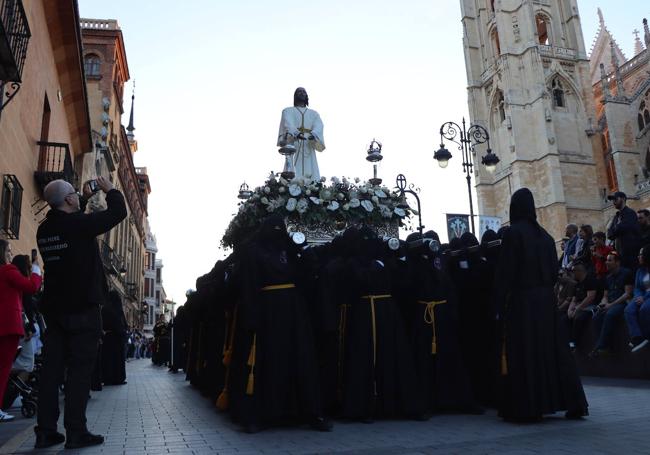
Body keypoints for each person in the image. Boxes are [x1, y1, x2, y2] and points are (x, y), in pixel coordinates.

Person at [35, 176, 126, 449]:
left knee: (51, 373)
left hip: (54, 310)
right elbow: (117, 212)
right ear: (69, 200)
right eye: (74, 194)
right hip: (82, 310)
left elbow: (69, 227)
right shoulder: (78, 226)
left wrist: (82, 199)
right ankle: (76, 431)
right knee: (79, 372)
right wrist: (111, 190)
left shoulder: (44, 230)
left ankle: (45, 431)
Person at [495, 188, 587, 422]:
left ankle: (529, 407)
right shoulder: (546, 237)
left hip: (523, 301)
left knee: (527, 351)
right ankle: (573, 402)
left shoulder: (513, 234)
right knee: (555, 351)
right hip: (546, 301)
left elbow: (506, 273)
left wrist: (497, 303)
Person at [0, 242, 42, 422]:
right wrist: (36, 268)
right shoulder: (8, 271)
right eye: (8, 251)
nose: (10, 254)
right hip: (8, 325)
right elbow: (32, 287)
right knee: (3, 369)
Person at [277, 87, 325, 181]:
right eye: (298, 92)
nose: (301, 93)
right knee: (291, 165)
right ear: (294, 96)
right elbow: (288, 123)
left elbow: (319, 125)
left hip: (308, 143)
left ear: (307, 96)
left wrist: (314, 134)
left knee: (310, 168)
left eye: (303, 92)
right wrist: (296, 133)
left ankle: (311, 186)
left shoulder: (314, 114)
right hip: (294, 142)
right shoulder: (288, 111)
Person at [590, 252, 633, 357]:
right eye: (606, 260)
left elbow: (627, 294)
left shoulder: (627, 273)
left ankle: (600, 346)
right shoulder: (607, 277)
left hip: (622, 303)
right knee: (596, 316)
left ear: (617, 262)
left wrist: (611, 305)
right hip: (610, 303)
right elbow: (605, 296)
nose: (606, 262)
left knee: (610, 314)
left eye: (610, 260)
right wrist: (603, 303)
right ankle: (606, 347)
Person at [564, 261, 598, 351]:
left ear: (578, 271)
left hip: (590, 306)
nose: (571, 273)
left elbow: (590, 297)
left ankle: (575, 343)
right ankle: (569, 342)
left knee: (578, 318)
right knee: (565, 318)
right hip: (578, 307)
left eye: (572, 271)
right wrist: (570, 310)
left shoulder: (590, 280)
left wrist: (577, 309)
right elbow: (574, 299)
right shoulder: (577, 283)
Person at [624, 247, 650, 352]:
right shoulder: (640, 270)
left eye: (641, 254)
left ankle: (647, 336)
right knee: (628, 310)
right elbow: (637, 287)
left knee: (644, 309)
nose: (638, 256)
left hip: (648, 297)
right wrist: (638, 296)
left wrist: (644, 298)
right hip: (641, 295)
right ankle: (637, 337)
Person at [607, 191, 641, 270]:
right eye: (612, 200)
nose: (613, 202)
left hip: (631, 254)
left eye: (615, 199)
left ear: (623, 199)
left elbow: (622, 228)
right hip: (620, 255)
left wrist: (615, 228)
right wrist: (616, 228)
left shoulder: (630, 213)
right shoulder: (616, 216)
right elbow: (610, 235)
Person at [101, 291, 127, 385]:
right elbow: (122, 324)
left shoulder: (105, 308)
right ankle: (117, 378)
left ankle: (107, 378)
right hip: (117, 338)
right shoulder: (117, 309)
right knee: (117, 359)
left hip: (107, 337)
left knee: (107, 359)